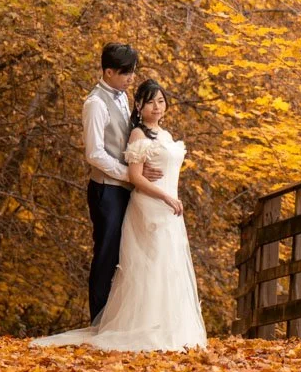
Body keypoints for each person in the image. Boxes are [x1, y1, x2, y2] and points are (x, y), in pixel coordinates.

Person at [34, 77, 208, 352]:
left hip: (170, 208)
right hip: (151, 204)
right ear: (138, 105)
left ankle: (168, 327)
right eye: (150, 102)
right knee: (149, 266)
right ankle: (142, 327)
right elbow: (136, 177)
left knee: (169, 266)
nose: (157, 107)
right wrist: (164, 196)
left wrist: (171, 198)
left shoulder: (163, 134)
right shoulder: (138, 135)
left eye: (161, 101)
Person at [75, 43, 161, 322]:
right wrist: (130, 174)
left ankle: (118, 321)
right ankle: (97, 321)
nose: (130, 78)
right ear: (108, 71)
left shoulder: (123, 97)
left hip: (125, 189)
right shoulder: (95, 103)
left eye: (132, 71)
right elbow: (94, 153)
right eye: (124, 72)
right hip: (106, 190)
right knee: (106, 255)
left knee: (127, 254)